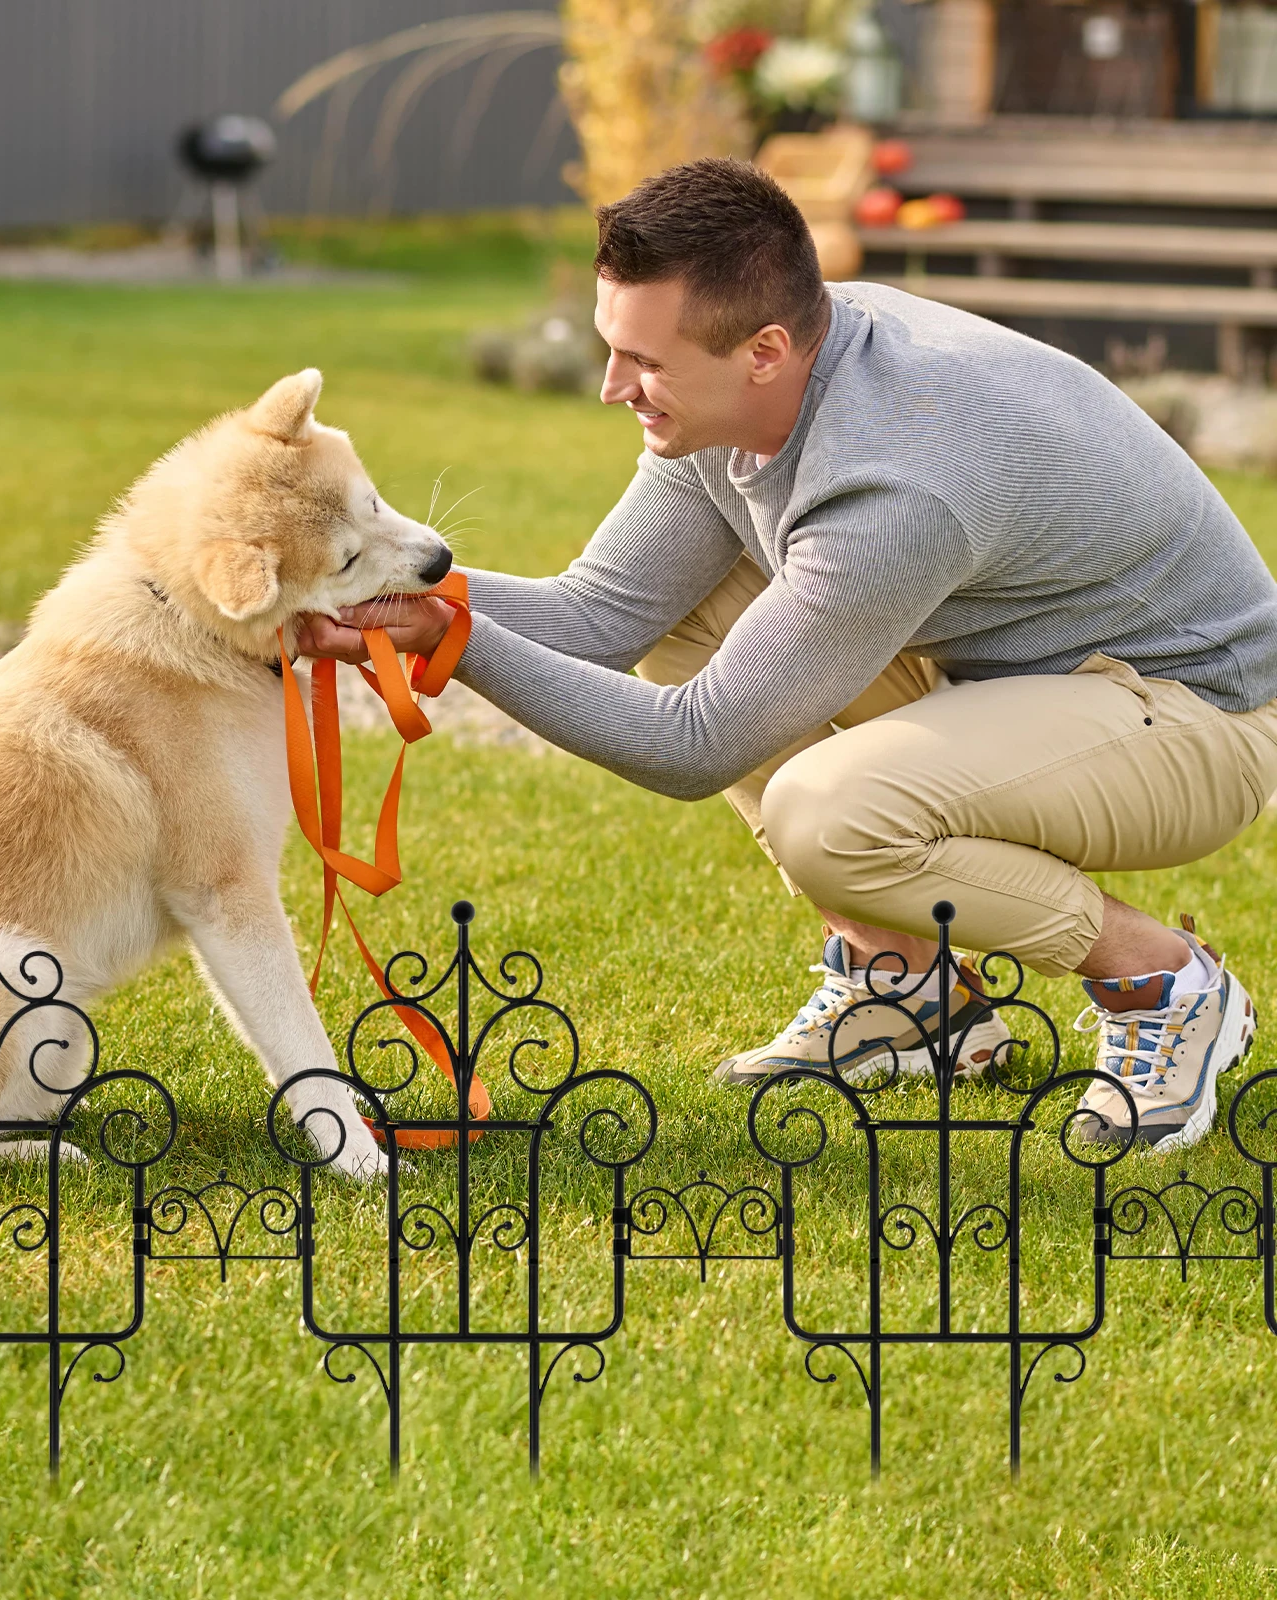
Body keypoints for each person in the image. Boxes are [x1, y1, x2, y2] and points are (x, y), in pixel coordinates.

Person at [298, 157, 1277, 1154]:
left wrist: (450, 638)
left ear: (763, 348)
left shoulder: (895, 482)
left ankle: (1165, 983)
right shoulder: (747, 395)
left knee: (832, 817)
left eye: (643, 361)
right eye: (612, 348)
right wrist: (366, 589)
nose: (610, 387)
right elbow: (601, 613)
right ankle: (911, 991)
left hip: (1194, 719)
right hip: (1027, 680)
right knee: (698, 608)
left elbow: (695, 745)